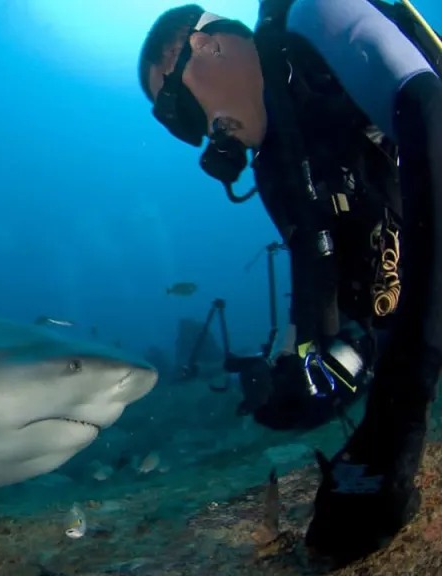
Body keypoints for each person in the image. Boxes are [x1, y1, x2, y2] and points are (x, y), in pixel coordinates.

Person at [138, 0, 442, 566]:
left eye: (176, 108)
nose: (197, 134)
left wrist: (399, 411)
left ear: (206, 44)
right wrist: (300, 381)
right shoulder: (283, 173)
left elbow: (430, 112)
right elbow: (331, 315)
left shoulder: (316, 17)